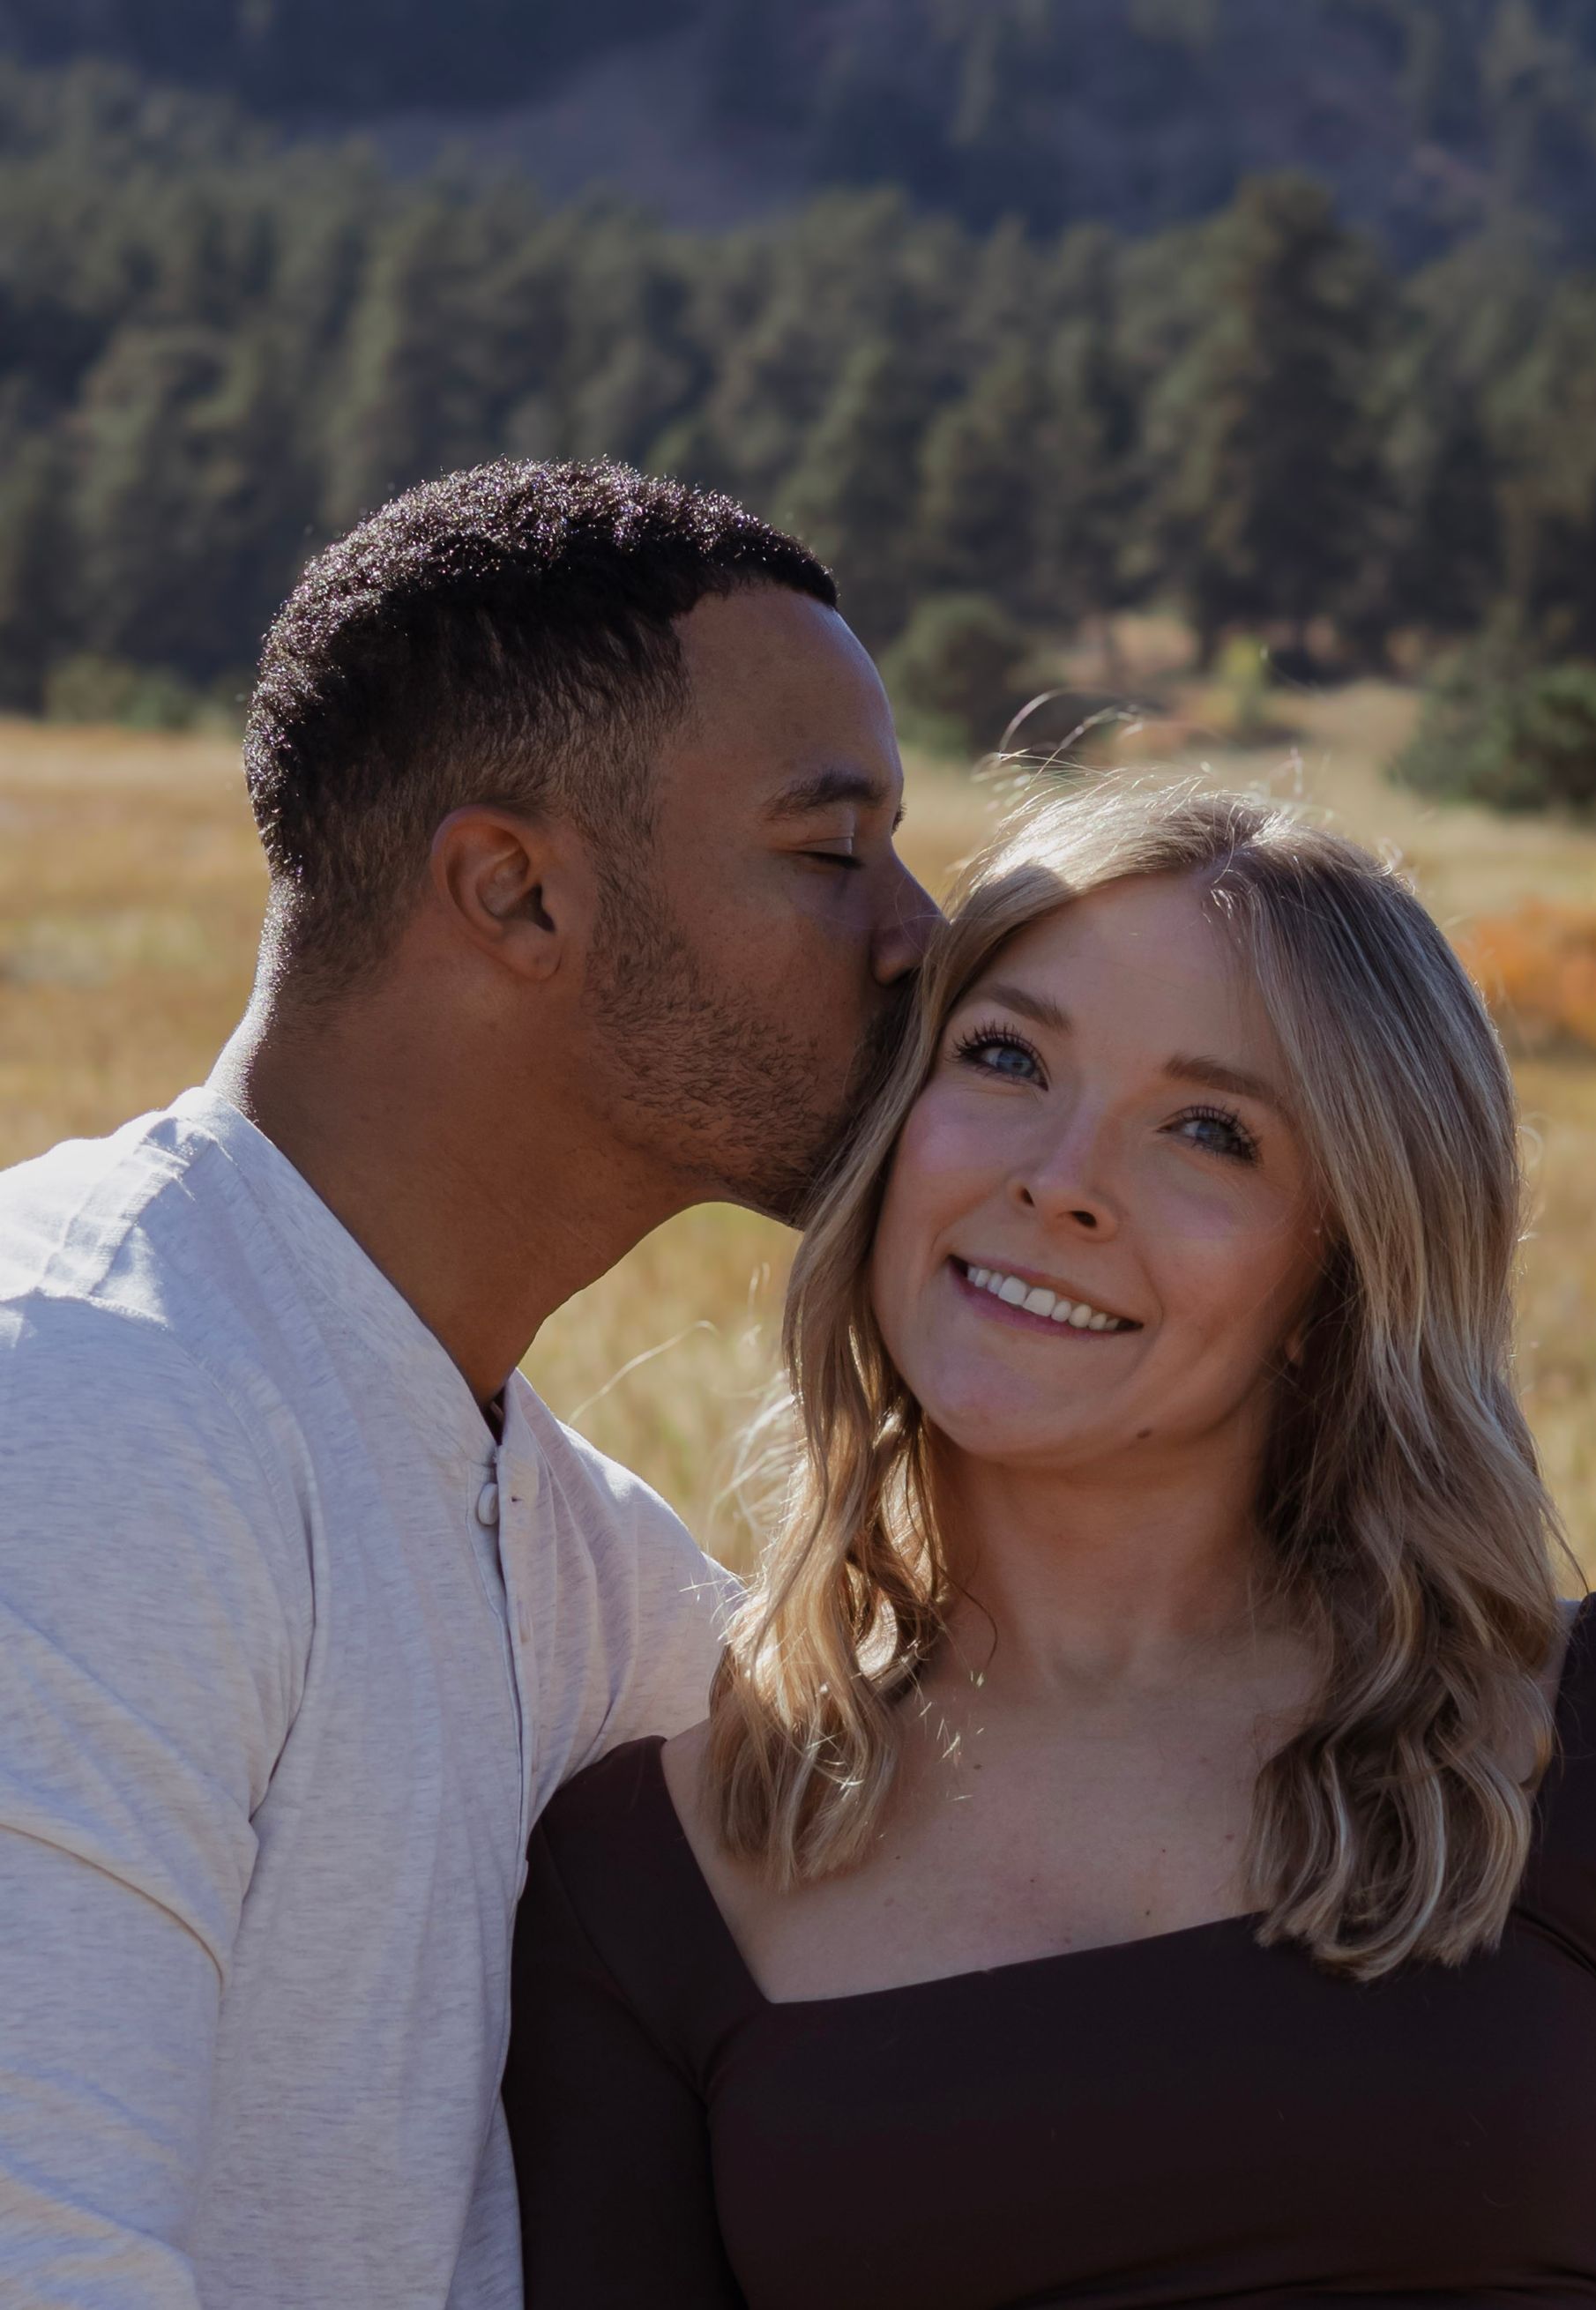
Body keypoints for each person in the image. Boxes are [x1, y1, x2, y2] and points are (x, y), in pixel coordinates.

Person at [506, 776, 1596, 2308]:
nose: (1059, 1183)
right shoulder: (653, 1874)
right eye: (1006, 1058)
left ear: (1348, 1271)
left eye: (1210, 1132)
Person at [0, 458, 936, 2308]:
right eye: (834, 852)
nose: (919, 930)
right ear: (513, 893)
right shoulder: (93, 1408)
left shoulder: (579, 1554)